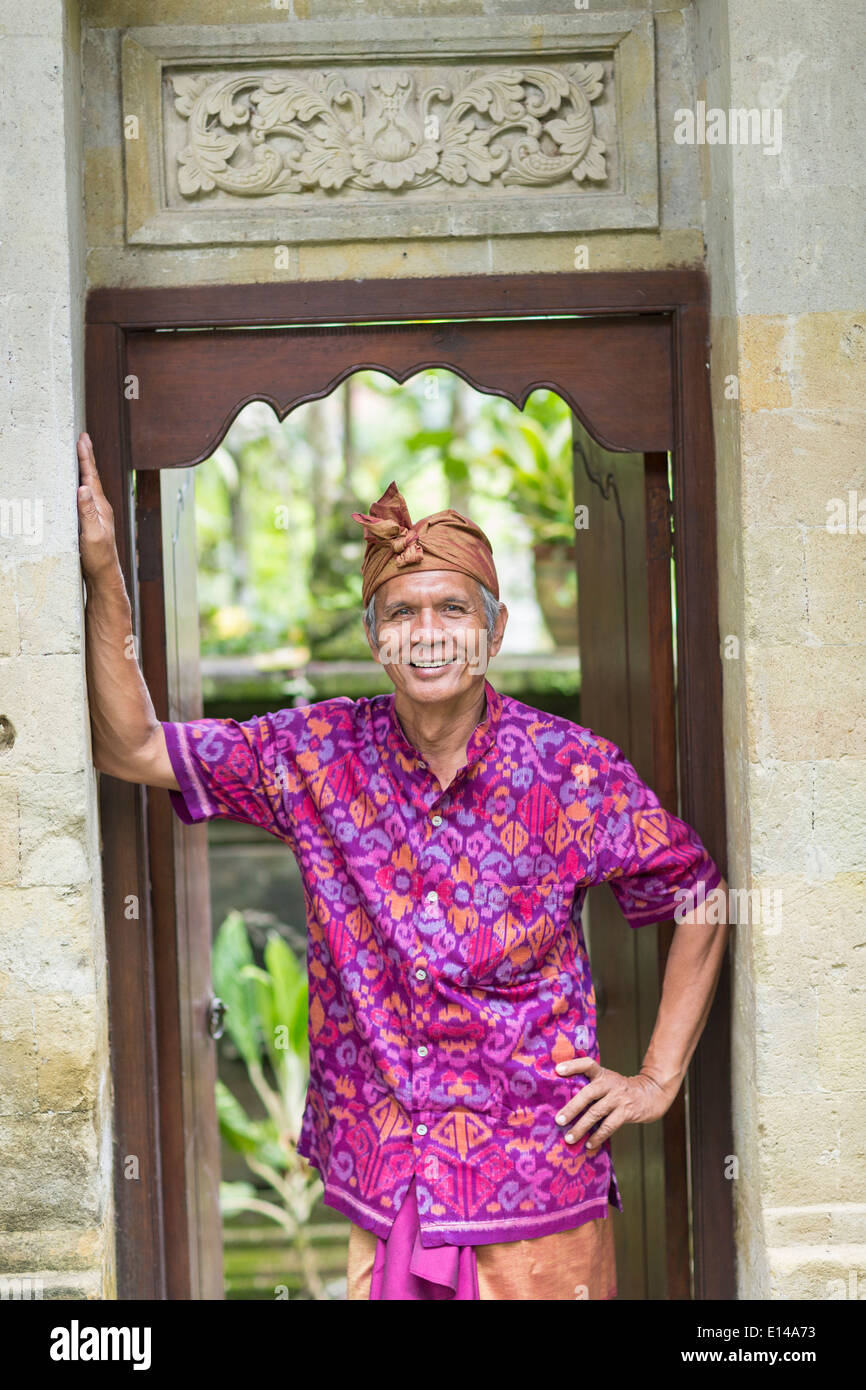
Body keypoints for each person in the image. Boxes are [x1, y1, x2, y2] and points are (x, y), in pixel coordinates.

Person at [76, 430, 729, 1301]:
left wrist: (657, 1077)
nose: (428, 634)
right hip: (385, 1183)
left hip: (536, 1183)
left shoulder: (570, 769)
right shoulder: (314, 753)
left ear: (493, 633)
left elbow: (701, 895)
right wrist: (102, 572)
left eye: (453, 610)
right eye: (401, 613)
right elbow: (133, 746)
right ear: (376, 638)